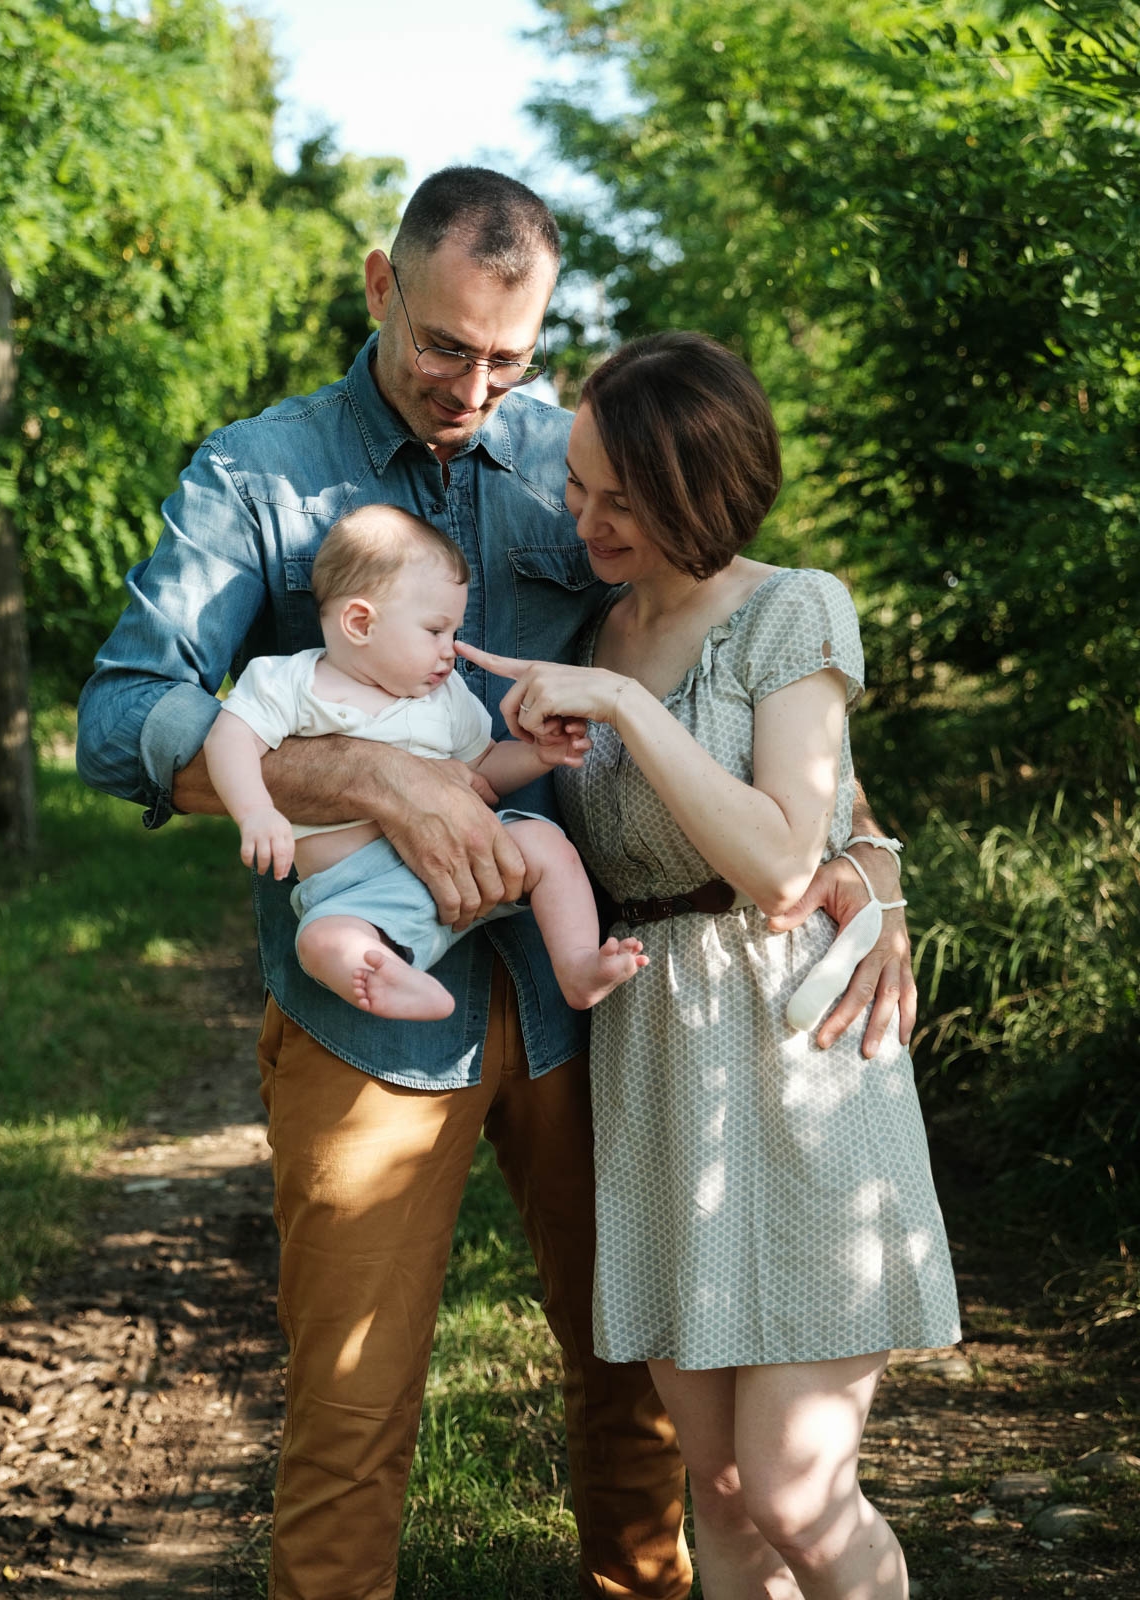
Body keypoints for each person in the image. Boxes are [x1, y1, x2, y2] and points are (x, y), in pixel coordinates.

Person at [76, 166, 915, 1600]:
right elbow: (119, 717)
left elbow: (742, 659)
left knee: (645, 1390)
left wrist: (869, 859)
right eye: (445, 346)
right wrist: (364, 773)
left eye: (510, 359)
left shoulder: (576, 458)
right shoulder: (259, 475)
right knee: (351, 1409)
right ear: (380, 285)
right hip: (371, 1006)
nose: (475, 389)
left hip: (599, 1001)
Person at [459, 331, 962, 1600]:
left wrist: (631, 709)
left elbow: (787, 862)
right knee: (725, 1499)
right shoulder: (596, 627)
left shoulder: (793, 609)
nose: (586, 519)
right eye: (577, 485)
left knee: (798, 1492)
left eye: (620, 499)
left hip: (792, 1058)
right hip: (658, 1071)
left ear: (701, 489)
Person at [203, 503, 646, 1019]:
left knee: (547, 845)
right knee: (321, 939)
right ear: (360, 623)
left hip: (474, 860)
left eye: (453, 632)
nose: (451, 650)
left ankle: (577, 966)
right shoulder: (291, 684)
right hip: (354, 891)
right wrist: (255, 810)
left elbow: (484, 767)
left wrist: (536, 755)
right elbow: (229, 739)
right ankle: (387, 975)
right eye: (436, 631)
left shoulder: (443, 696)